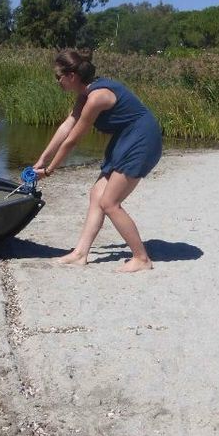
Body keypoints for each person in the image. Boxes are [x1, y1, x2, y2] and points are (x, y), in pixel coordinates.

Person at [32, 49, 161, 273]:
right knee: (97, 195)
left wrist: (50, 170)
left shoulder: (96, 98)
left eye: (58, 76)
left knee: (109, 202)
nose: (57, 81)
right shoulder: (86, 94)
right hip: (126, 138)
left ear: (72, 76)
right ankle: (81, 253)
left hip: (142, 139)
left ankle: (141, 258)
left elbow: (72, 140)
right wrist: (42, 159)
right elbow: (67, 126)